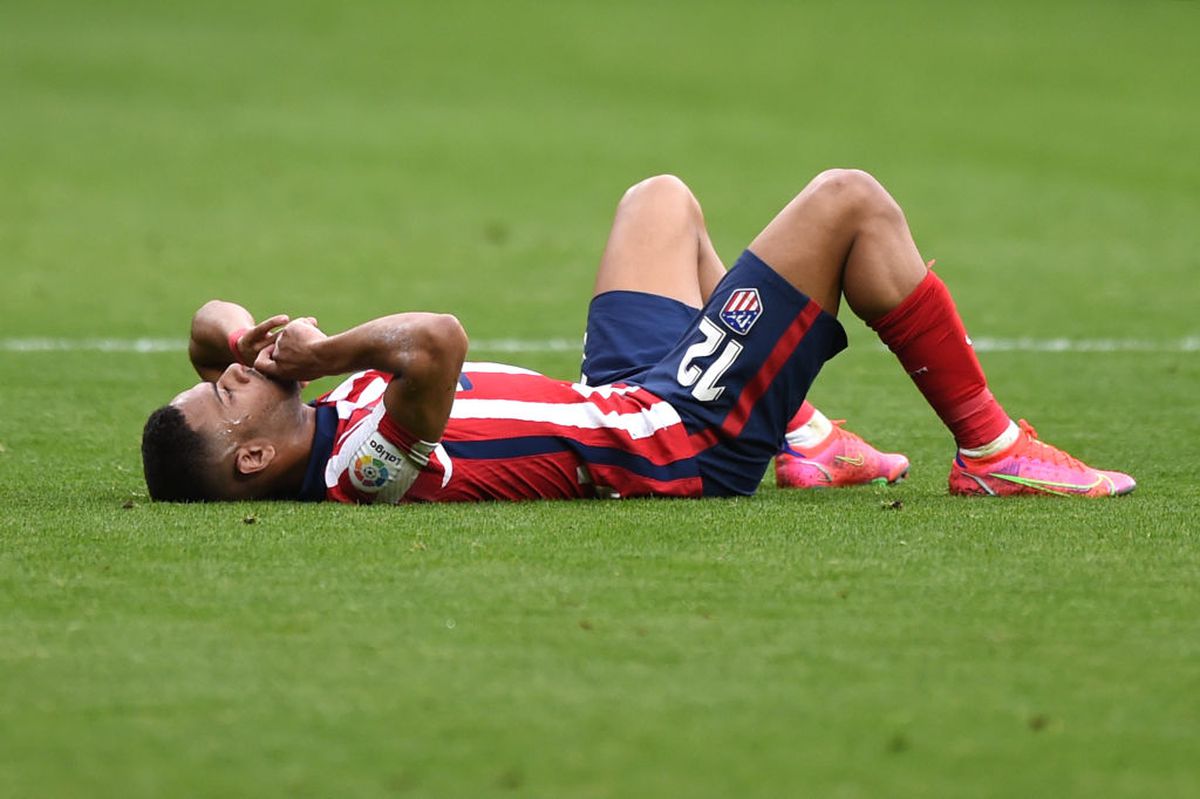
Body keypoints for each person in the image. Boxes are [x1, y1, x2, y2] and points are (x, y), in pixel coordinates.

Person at [141, 170, 1135, 503]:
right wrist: (318, 352)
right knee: (849, 202)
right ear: (257, 454)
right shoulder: (362, 469)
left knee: (658, 201)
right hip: (677, 434)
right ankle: (994, 452)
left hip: (617, 389)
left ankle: (805, 434)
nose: (233, 372)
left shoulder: (278, 433)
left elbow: (204, 324)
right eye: (229, 393)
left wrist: (236, 337)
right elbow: (434, 341)